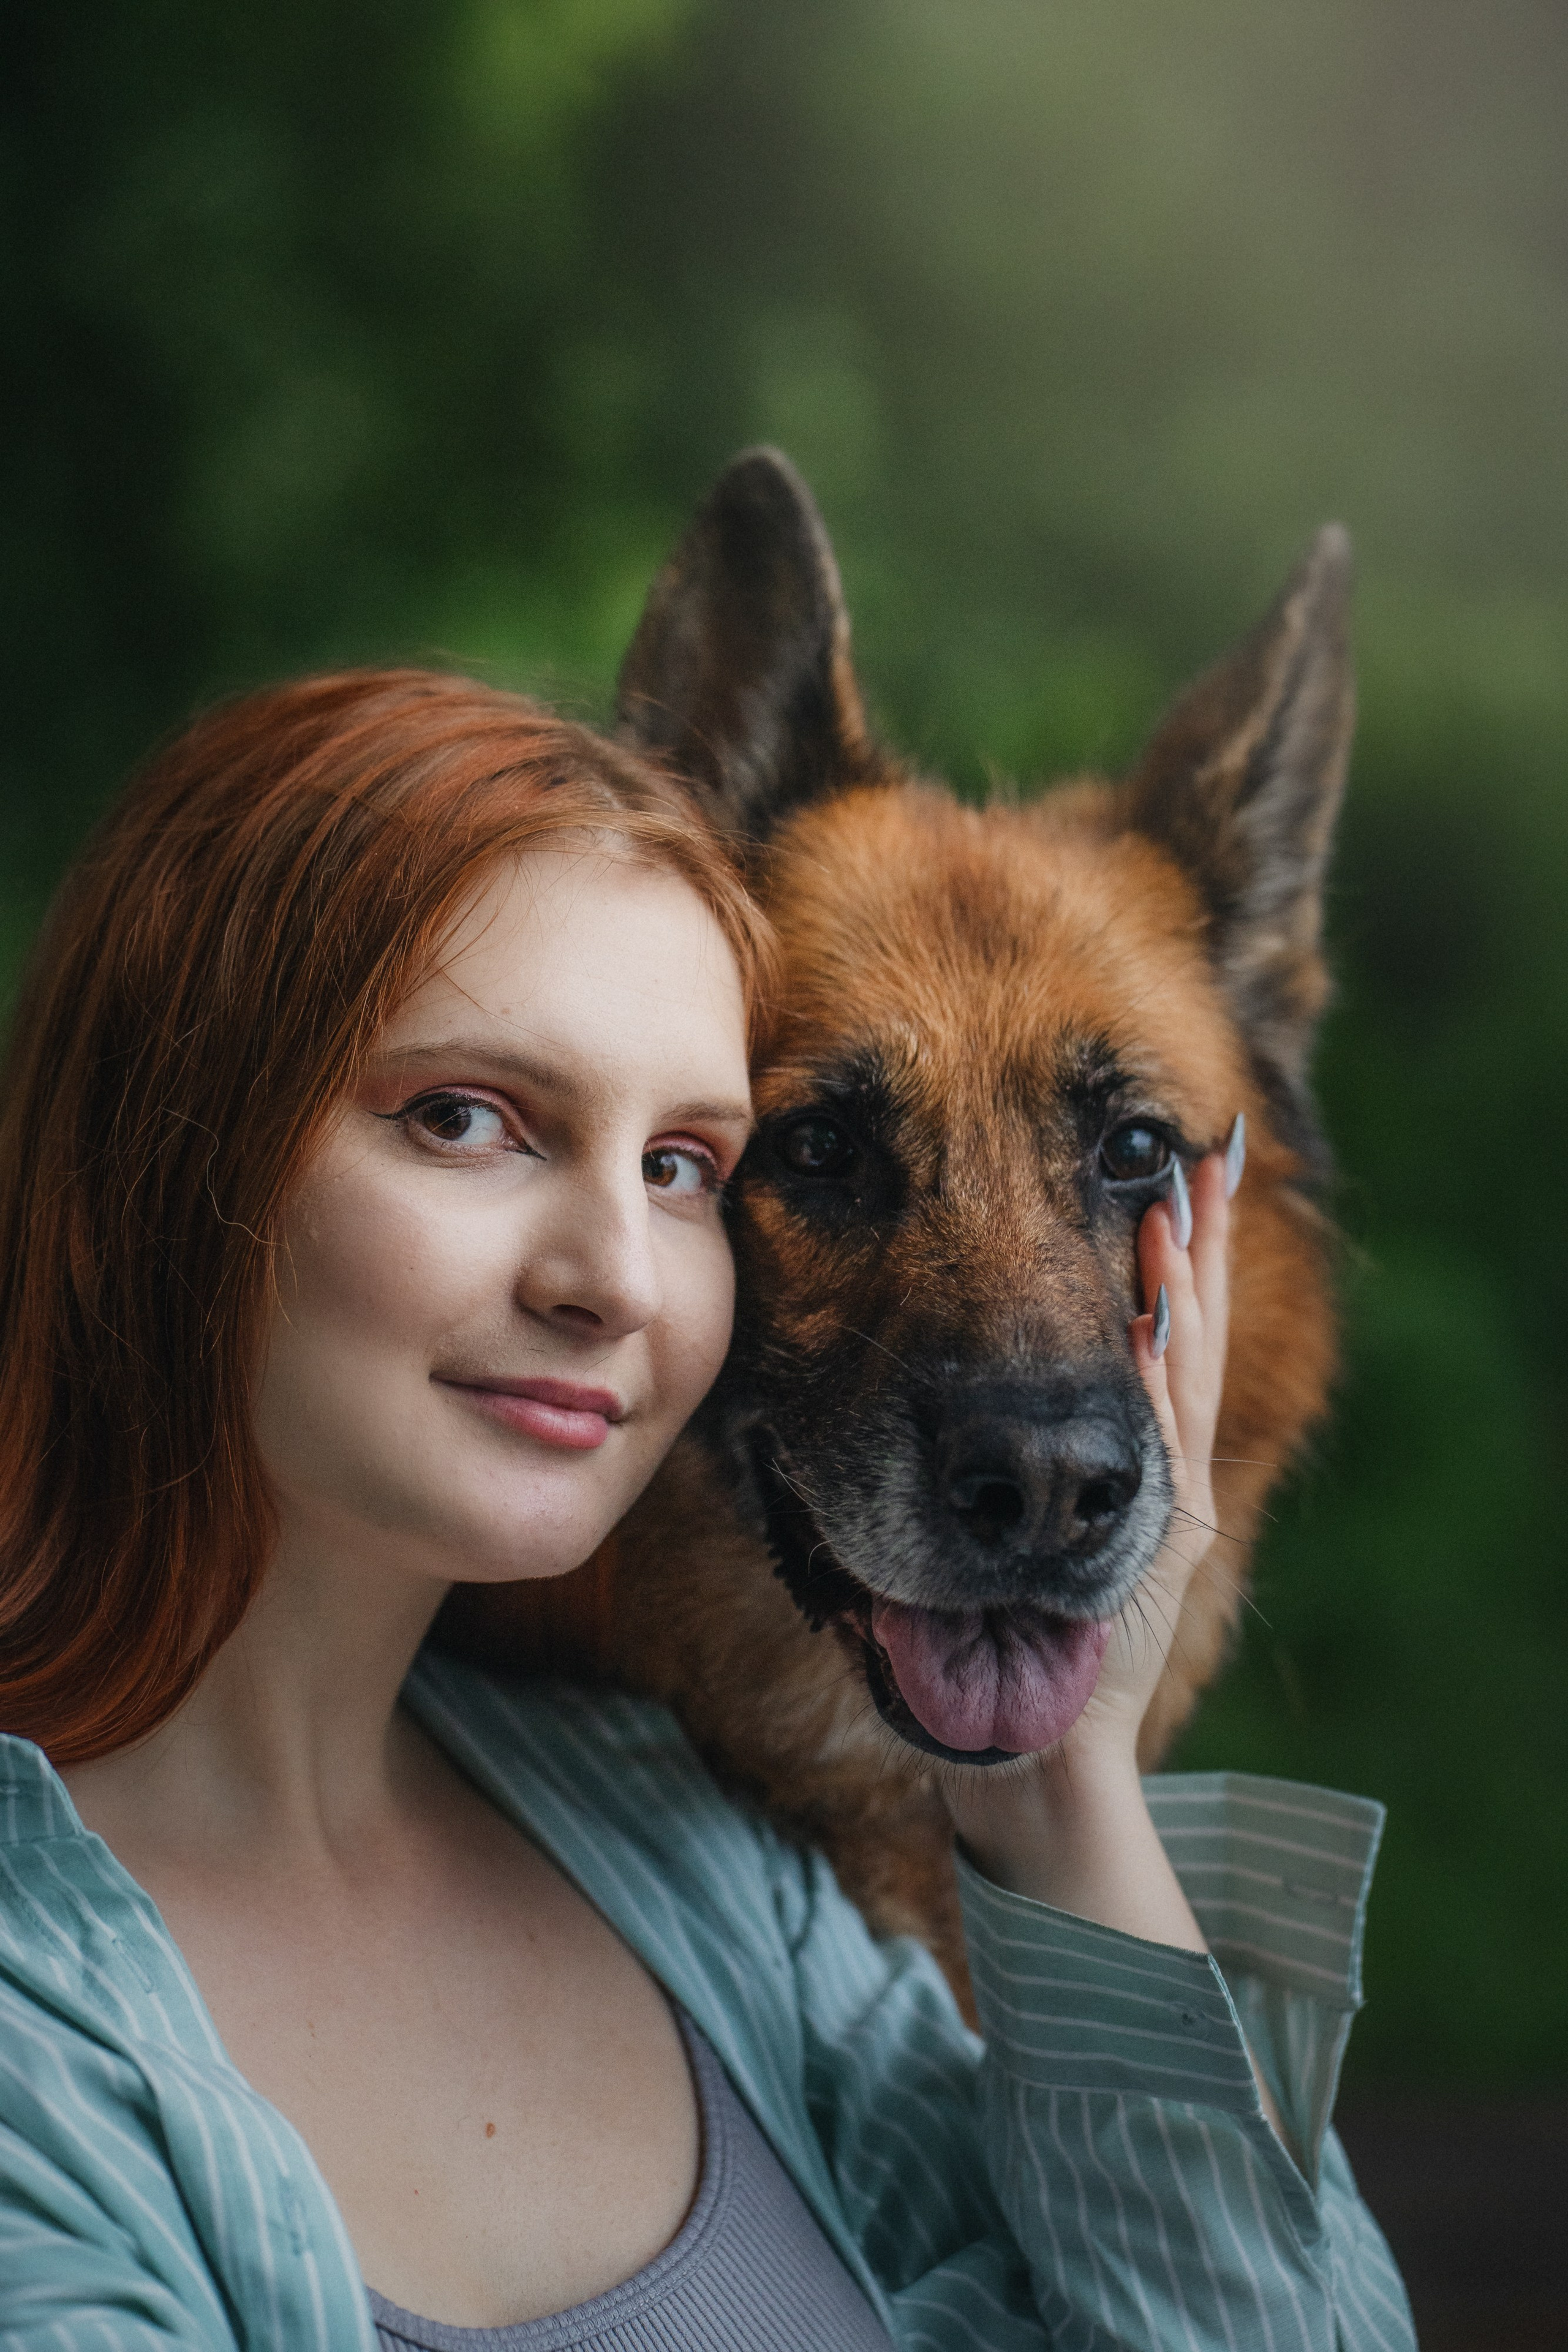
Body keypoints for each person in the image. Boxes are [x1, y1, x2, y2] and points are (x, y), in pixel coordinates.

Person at [0, 670, 1414, 2350]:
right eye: (468, 1121)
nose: (615, 1278)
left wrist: (1059, 1791)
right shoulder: (50, 2049)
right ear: (170, 1150)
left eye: (684, 1163)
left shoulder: (715, 1894)